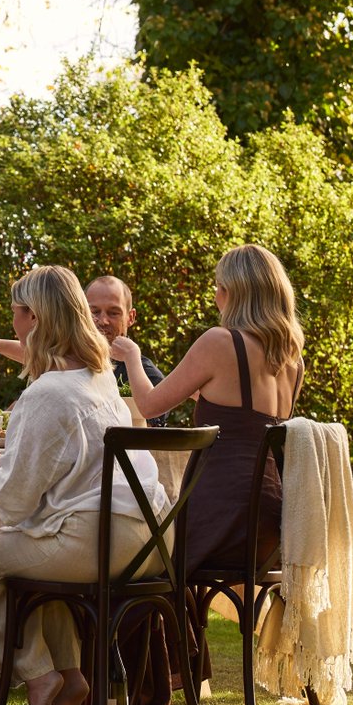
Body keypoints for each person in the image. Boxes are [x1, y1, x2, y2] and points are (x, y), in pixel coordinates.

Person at [0, 266, 169, 705]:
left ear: (32, 317)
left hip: (95, 541)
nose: (13, 325)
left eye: (15, 314)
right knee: (26, 560)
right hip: (149, 540)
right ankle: (70, 681)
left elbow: (11, 502)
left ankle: (41, 678)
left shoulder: (46, 393)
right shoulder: (98, 376)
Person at [110, 243, 304, 576]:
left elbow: (148, 404)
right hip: (272, 520)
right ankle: (190, 629)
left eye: (219, 287)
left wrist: (131, 356)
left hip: (223, 510)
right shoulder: (292, 359)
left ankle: (169, 629)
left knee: (135, 564)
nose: (216, 296)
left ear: (233, 292)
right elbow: (244, 419)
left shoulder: (220, 340)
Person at [85, 275, 169, 427]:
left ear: (131, 317)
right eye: (95, 312)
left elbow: (157, 419)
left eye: (113, 313)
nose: (103, 321)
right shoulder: (64, 362)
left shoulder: (142, 371)